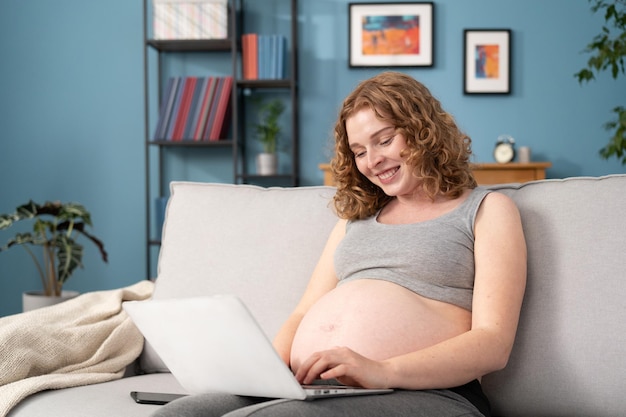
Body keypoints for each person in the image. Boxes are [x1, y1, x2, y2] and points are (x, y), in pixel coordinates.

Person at [152, 71, 527, 417]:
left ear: (422, 130)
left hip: (431, 392)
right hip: (315, 388)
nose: (373, 160)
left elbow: (493, 343)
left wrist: (382, 370)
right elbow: (302, 314)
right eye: (359, 151)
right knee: (178, 414)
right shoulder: (356, 219)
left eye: (384, 140)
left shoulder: (486, 210)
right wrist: (268, 375)